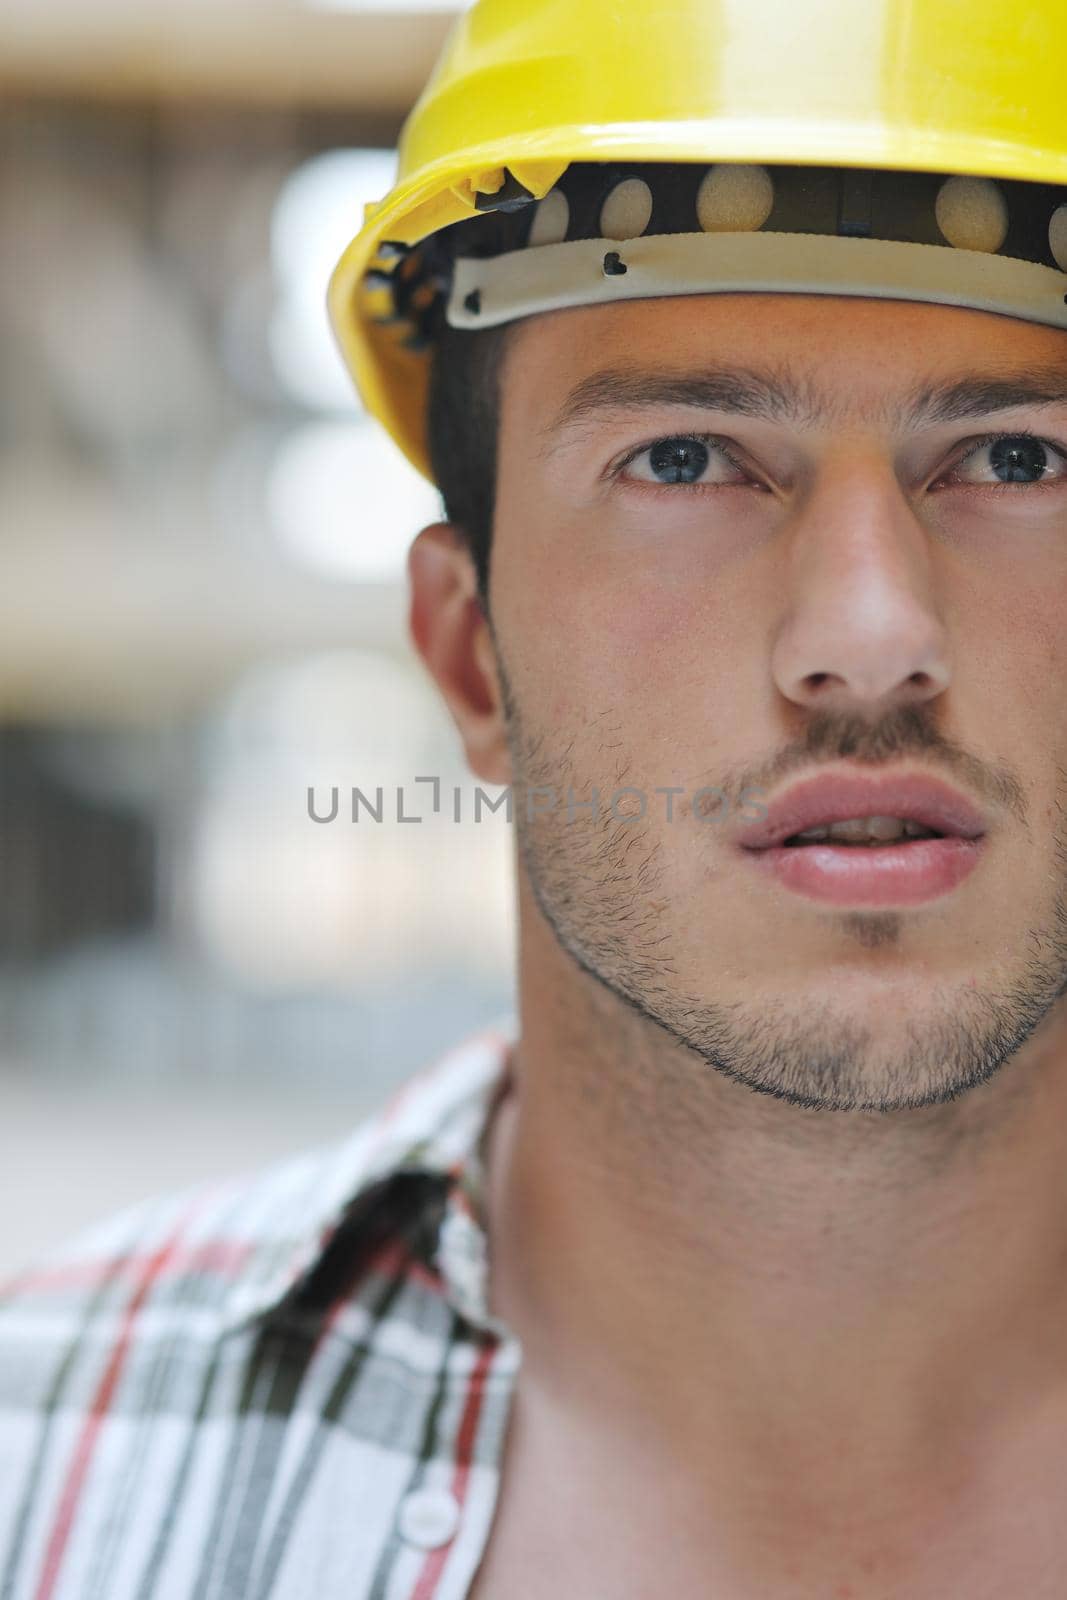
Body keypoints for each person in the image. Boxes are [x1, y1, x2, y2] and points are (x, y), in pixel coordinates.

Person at [4, 0, 1067, 1594]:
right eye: (689, 460)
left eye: (1019, 462)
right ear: (470, 655)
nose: (870, 639)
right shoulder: (46, 1475)